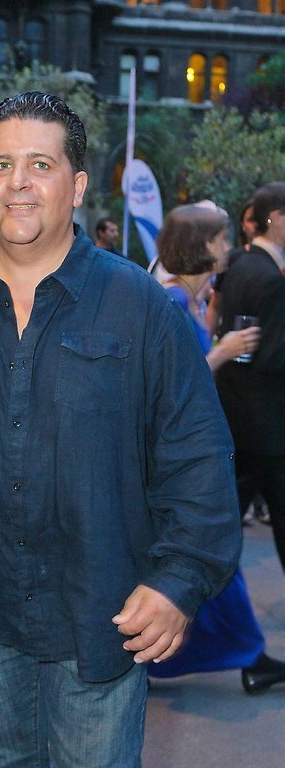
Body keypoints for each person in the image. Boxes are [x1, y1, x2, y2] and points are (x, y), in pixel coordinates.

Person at [0, 92, 242, 768]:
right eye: (2, 165)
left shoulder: (140, 307)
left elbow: (197, 456)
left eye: (40, 164)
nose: (19, 183)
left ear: (77, 186)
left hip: (103, 606)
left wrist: (179, 579)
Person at [148, 203, 285, 693]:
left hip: (191, 456)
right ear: (200, 247)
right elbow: (170, 387)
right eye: (220, 239)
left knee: (206, 566)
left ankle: (245, 657)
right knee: (208, 562)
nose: (227, 247)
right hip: (177, 463)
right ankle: (247, 658)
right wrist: (223, 352)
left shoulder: (185, 299)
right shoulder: (170, 302)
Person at [216, 181, 285, 578]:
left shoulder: (240, 264)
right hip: (269, 428)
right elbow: (272, 357)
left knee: (222, 530)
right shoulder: (270, 278)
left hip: (237, 417)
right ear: (275, 218)